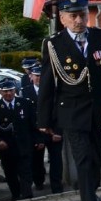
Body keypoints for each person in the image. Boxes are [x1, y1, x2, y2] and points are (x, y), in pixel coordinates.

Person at [38, 0, 101, 201]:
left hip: (98, 109)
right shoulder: (53, 44)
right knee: (84, 159)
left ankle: (91, 191)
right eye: (73, 16)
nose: (79, 20)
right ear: (63, 19)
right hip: (71, 111)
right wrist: (44, 119)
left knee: (97, 158)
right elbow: (47, 82)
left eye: (83, 14)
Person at [0, 78, 41, 201]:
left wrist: (38, 140)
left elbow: (34, 124)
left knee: (26, 170)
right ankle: (16, 194)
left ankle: (27, 194)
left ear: (15, 90)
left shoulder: (25, 103)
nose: (8, 93)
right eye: (5, 91)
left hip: (24, 144)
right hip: (6, 147)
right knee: (10, 172)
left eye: (10, 90)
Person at [22, 65, 64, 193]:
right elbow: (27, 117)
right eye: (37, 76)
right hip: (37, 133)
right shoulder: (25, 92)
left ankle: (56, 185)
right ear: (31, 77)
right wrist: (36, 135)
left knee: (56, 160)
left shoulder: (55, 91)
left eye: (42, 76)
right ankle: (39, 182)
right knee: (37, 161)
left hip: (53, 130)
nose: (39, 78)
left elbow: (60, 112)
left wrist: (58, 131)